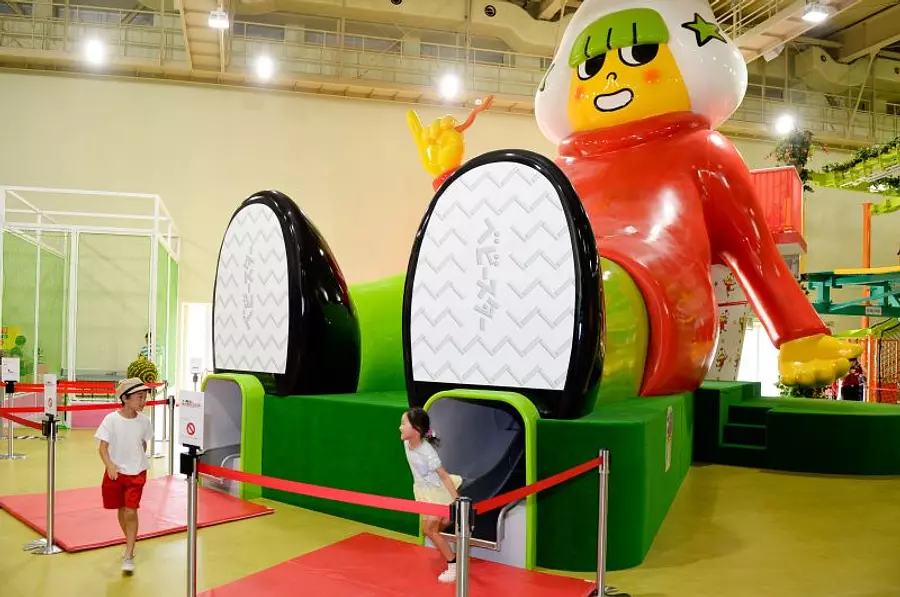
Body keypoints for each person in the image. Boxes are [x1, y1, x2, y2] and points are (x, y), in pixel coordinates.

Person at [96, 378, 153, 574]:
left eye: (144, 397)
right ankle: (130, 540)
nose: (143, 401)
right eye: (139, 397)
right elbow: (102, 448)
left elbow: (143, 443)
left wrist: (137, 458)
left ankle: (129, 552)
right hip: (116, 473)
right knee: (121, 510)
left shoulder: (145, 421)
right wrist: (110, 465)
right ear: (125, 398)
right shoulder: (111, 420)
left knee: (130, 511)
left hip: (137, 472)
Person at [400, 407, 462, 583]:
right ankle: (448, 528)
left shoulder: (427, 452)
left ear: (416, 429)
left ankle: (454, 565)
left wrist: (457, 499)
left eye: (403, 423)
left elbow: (444, 475)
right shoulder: (406, 442)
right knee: (430, 529)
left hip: (437, 492)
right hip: (424, 492)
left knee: (429, 530)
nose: (400, 427)